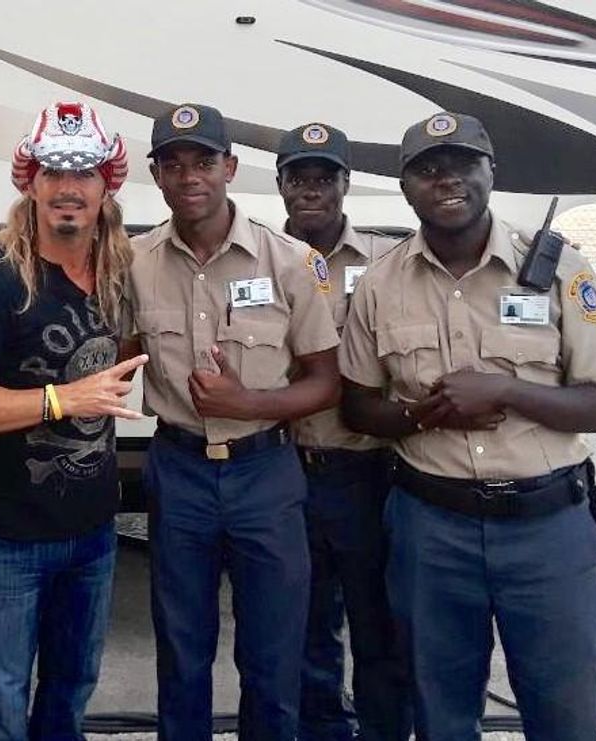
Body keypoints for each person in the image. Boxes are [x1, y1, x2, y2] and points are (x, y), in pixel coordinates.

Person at [340, 111, 596, 741]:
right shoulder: (380, 284)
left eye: (463, 164)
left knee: (568, 715)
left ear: (490, 171)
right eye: (427, 169)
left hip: (547, 528)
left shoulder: (560, 269)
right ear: (404, 185)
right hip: (431, 531)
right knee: (440, 713)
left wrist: (505, 389)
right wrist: (423, 414)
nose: (447, 180)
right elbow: (358, 408)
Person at [124, 103, 340, 740]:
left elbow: (326, 382)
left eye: (204, 161)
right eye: (173, 163)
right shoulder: (132, 263)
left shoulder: (291, 262)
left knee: (274, 656)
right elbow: (111, 351)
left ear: (230, 168)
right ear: (156, 175)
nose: (190, 176)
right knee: (182, 649)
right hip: (180, 471)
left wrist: (249, 404)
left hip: (265, 473)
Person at [0, 101, 146, 740]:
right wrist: (60, 400)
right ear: (30, 182)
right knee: (2, 695)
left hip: (95, 528)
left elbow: (119, 358)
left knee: (73, 686)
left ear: (107, 184)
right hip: (11, 535)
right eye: (53, 171)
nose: (68, 188)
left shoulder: (115, 274)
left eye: (84, 173)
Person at [276, 122, 411, 741]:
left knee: (378, 623)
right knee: (303, 626)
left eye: (323, 178)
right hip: (284, 471)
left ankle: (384, 730)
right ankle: (322, 729)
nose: (311, 190)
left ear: (345, 184)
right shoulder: (259, 260)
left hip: (366, 472)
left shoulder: (390, 261)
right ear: (279, 185)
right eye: (297, 178)